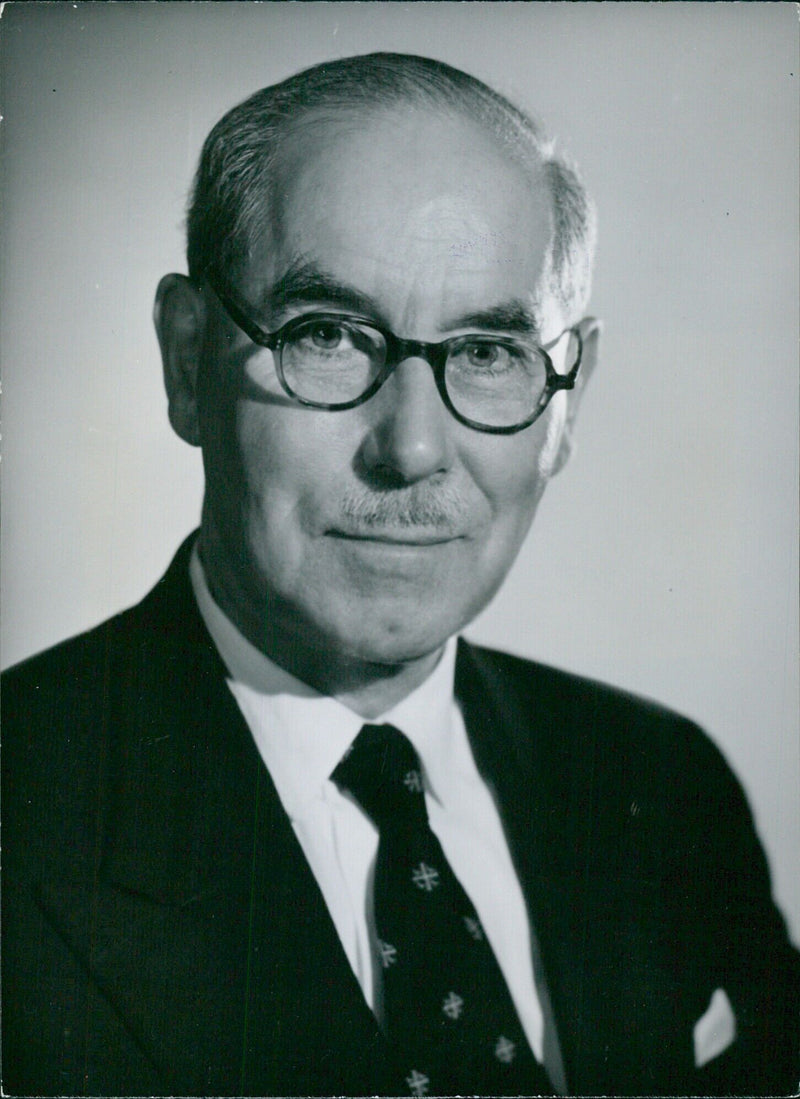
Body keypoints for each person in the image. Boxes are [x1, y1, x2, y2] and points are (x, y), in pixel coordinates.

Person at [2, 52, 798, 1099]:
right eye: (326, 334)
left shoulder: (658, 783)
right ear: (185, 359)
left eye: (485, 350)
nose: (412, 448)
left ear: (565, 403)